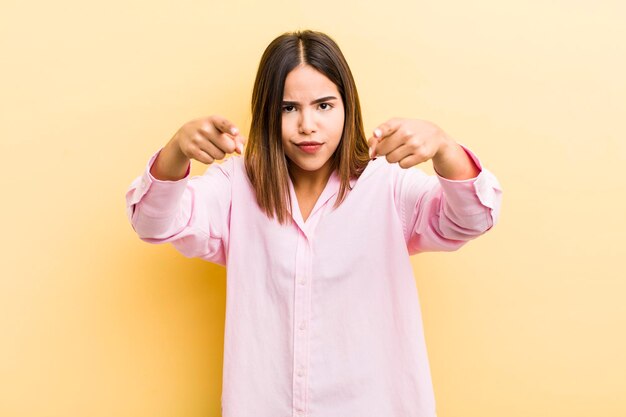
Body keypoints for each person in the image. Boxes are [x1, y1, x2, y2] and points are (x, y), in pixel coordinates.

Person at [125, 29, 502, 417]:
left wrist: (444, 147)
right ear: (268, 113)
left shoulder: (386, 184)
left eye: (324, 106)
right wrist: (176, 151)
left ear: (347, 106)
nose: (307, 125)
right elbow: (153, 223)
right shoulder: (235, 187)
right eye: (289, 108)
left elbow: (471, 219)